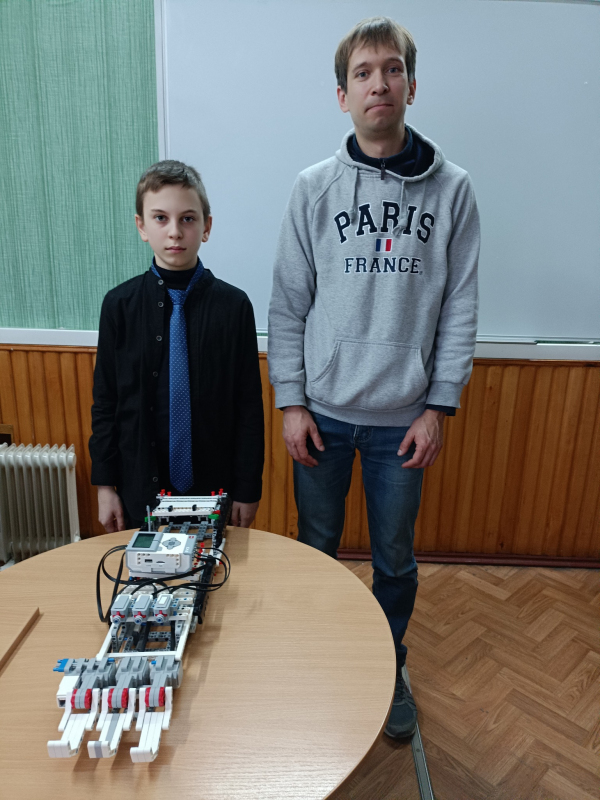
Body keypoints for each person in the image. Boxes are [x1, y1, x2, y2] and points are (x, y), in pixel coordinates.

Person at [268, 17, 479, 738]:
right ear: (343, 95)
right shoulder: (314, 189)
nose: (378, 83)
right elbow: (288, 303)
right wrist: (292, 403)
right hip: (322, 415)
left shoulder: (453, 191)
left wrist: (439, 407)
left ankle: (387, 669)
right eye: (362, 73)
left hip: (403, 421)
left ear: (411, 87)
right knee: (316, 550)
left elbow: (460, 306)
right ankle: (316, 663)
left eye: (391, 69)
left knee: (393, 558)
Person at [90, 160, 264, 532]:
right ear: (141, 226)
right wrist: (105, 486)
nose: (174, 232)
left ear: (206, 227)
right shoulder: (119, 306)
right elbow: (105, 404)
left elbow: (249, 407)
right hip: (139, 486)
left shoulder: (234, 307)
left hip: (215, 487)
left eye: (187, 219)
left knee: (214, 567)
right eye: (160, 218)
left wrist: (248, 488)